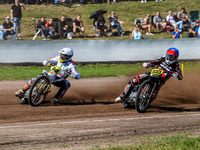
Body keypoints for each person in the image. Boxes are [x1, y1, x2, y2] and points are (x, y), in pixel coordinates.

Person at [115, 48, 183, 105]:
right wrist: (148, 64)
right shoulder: (163, 58)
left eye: (172, 57)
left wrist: (176, 75)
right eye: (168, 56)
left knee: (153, 96)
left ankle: (143, 103)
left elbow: (180, 76)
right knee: (134, 80)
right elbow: (155, 62)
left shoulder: (176, 65)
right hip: (151, 75)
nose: (169, 58)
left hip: (160, 81)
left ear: (176, 57)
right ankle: (122, 96)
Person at [15, 47, 81, 104]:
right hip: (50, 74)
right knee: (35, 79)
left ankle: (56, 98)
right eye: (61, 54)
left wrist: (75, 75)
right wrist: (47, 62)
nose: (61, 56)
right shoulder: (58, 57)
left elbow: (77, 74)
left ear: (68, 56)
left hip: (58, 79)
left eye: (64, 55)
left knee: (67, 83)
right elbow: (50, 60)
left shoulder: (71, 64)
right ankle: (22, 91)